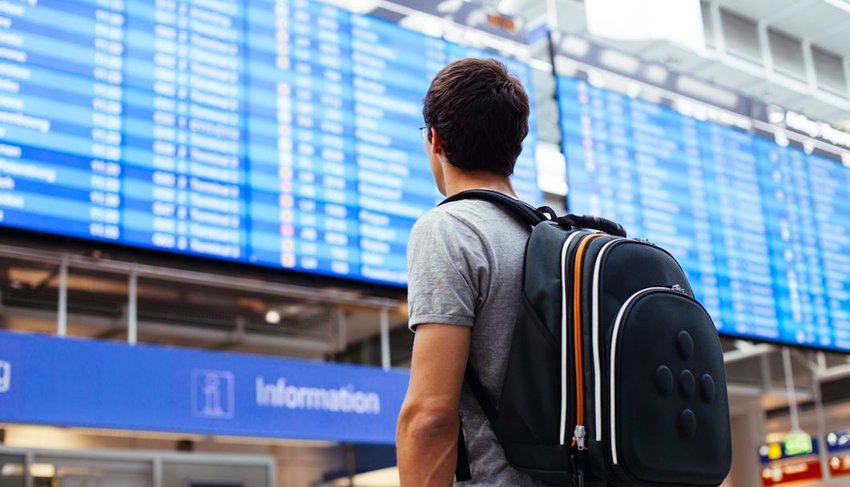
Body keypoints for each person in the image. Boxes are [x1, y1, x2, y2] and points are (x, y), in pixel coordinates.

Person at [396, 58, 550, 486]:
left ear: (435, 140)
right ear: (514, 145)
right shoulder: (553, 238)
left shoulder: (449, 229)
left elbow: (428, 415)